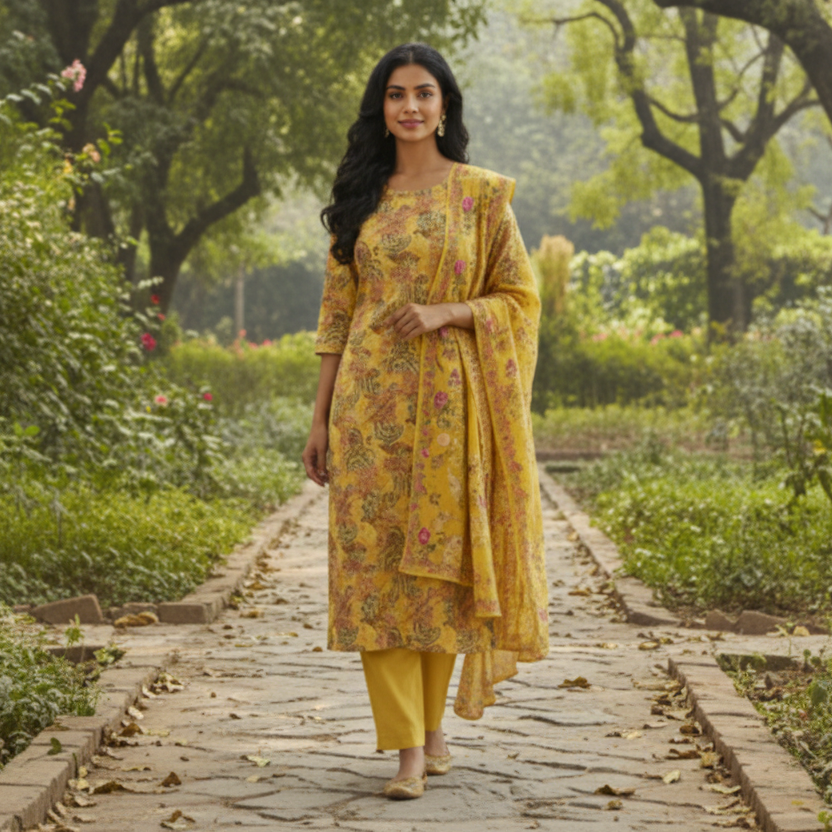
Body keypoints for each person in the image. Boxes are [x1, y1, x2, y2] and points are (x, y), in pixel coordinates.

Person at [302, 42, 549, 800]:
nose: (410, 106)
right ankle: (408, 749)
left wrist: (450, 311)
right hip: (367, 410)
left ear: (445, 107)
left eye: (425, 93)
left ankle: (432, 729)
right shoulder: (360, 200)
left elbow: (519, 299)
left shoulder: (480, 197)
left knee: (435, 575)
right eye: (396, 94)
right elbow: (336, 318)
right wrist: (318, 421)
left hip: (449, 413)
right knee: (374, 577)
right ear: (381, 108)